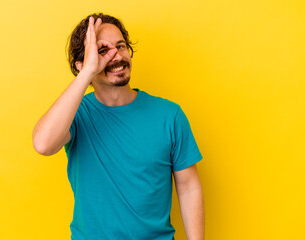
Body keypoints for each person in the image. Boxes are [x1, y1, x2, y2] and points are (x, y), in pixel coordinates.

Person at [32, 13, 204, 240]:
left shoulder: (169, 115)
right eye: (103, 51)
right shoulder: (76, 115)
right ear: (83, 65)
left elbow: (189, 187)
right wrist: (88, 72)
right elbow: (43, 144)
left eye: (121, 46)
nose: (116, 56)